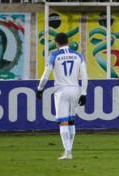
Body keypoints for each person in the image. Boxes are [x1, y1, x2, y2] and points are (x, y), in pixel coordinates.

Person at [36, 32, 89, 160]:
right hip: (75, 89)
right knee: (71, 121)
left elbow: (46, 74)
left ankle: (68, 152)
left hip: (61, 91)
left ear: (57, 43)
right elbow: (84, 75)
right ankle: (68, 150)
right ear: (68, 42)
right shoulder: (78, 56)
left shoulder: (54, 56)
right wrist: (84, 93)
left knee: (63, 122)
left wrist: (40, 88)